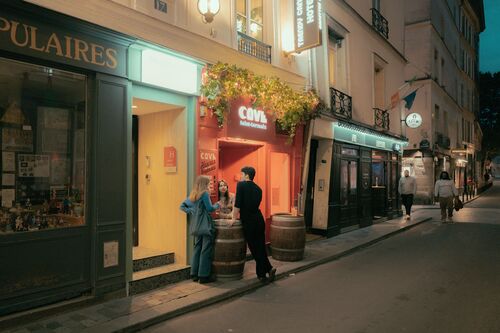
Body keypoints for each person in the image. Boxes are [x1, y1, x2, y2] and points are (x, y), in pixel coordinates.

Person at [230, 166, 276, 283]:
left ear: (246, 175)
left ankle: (262, 275)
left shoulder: (241, 185)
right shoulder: (258, 189)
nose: (240, 177)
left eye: (241, 174)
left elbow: (238, 204)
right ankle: (268, 269)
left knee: (254, 248)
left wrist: (233, 218)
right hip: (259, 220)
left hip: (249, 221)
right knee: (260, 246)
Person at [180, 175, 220, 283]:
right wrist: (217, 205)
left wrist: (192, 212)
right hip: (205, 225)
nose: (210, 184)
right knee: (205, 249)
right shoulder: (204, 194)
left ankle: (194, 274)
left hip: (196, 225)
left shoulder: (194, 194)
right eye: (209, 182)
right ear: (204, 184)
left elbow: (182, 206)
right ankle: (203, 276)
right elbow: (210, 208)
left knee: (197, 248)